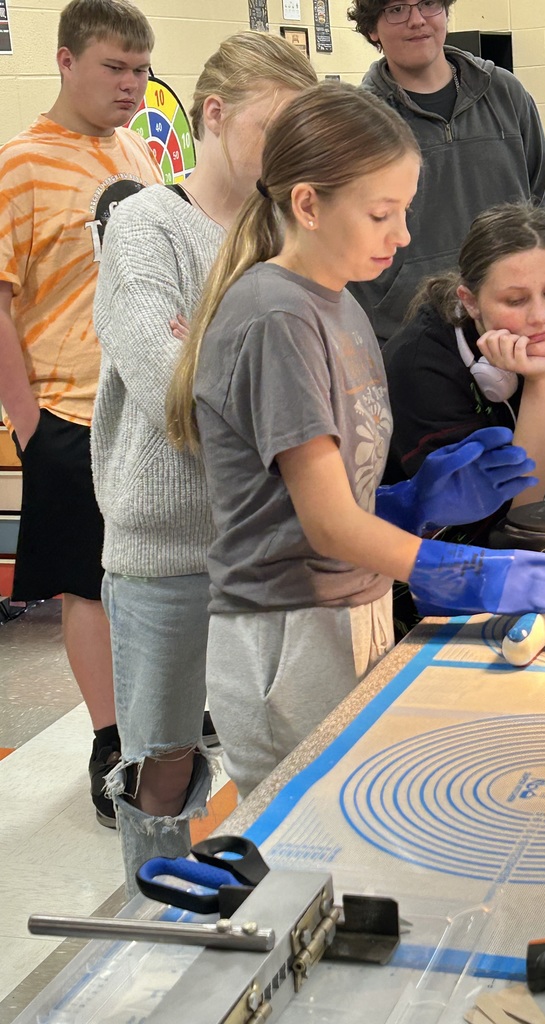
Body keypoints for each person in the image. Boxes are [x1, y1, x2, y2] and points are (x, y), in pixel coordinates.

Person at [166, 81, 545, 803]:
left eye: (404, 211)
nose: (402, 237)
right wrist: (489, 577)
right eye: (381, 214)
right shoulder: (276, 317)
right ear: (308, 204)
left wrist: (412, 501)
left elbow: (329, 500)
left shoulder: (338, 307)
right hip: (288, 633)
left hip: (353, 609)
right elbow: (326, 525)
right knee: (310, 859)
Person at [91, 32, 317, 891]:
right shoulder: (148, 225)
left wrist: (218, 359)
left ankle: (287, 896)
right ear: (213, 116)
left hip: (267, 539)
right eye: (275, 128)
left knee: (287, 737)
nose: (290, 154)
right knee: (165, 761)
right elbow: (173, 396)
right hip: (168, 547)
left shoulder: (283, 230)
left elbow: (309, 373)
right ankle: (161, 916)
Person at [0, 0, 161, 827]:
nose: (130, 85)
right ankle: (109, 740)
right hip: (66, 408)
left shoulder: (135, 149)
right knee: (88, 588)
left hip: (145, 401)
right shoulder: (20, 163)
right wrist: (26, 422)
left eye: (138, 70)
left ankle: (160, 719)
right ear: (65, 62)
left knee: (152, 571)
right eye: (113, 68)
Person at [384, 202, 545, 534]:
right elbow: (509, 516)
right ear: (471, 301)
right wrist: (540, 382)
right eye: (515, 301)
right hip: (426, 547)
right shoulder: (421, 364)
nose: (540, 316)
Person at [345, 0, 545, 345]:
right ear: (372, 28)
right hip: (403, 336)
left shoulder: (505, 94)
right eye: (396, 9)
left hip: (506, 325)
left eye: (428, 4)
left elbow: (535, 198)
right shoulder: (359, 121)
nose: (417, 20)